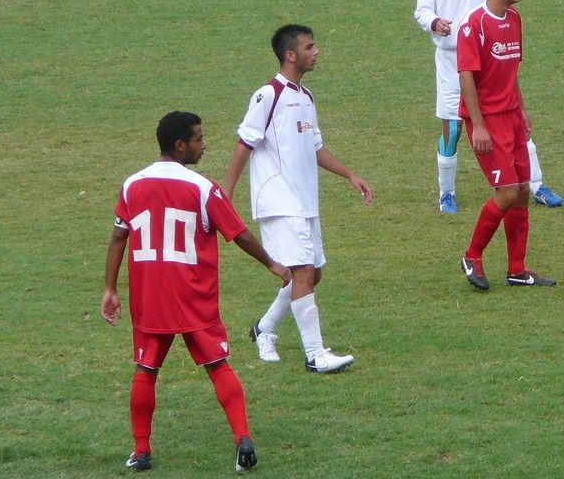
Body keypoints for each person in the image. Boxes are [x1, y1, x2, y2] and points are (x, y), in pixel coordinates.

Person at [101, 110, 292, 472]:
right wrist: (272, 264)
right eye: (199, 139)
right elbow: (239, 234)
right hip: (193, 297)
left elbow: (117, 235)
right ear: (180, 145)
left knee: (145, 370)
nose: (204, 145)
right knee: (218, 366)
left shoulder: (132, 185)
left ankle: (141, 451)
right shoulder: (203, 188)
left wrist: (110, 289)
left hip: (150, 299)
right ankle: (242, 438)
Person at [224, 24, 373, 374]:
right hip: (278, 201)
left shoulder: (306, 98)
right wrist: (225, 193)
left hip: (305, 202)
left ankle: (263, 329)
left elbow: (315, 147)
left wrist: (350, 174)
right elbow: (244, 144)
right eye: (310, 46)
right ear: (291, 55)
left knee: (311, 274)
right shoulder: (267, 96)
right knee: (303, 271)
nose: (317, 51)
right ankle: (315, 354)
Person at [414, 0, 563, 213]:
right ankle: (446, 194)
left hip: (490, 58)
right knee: (453, 129)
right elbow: (422, 9)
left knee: (514, 118)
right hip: (452, 60)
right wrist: (434, 22)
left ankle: (536, 184)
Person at [457, 0, 556, 291]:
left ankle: (517, 269)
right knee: (507, 192)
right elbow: (467, 78)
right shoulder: (473, 26)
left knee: (523, 192)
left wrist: (523, 109)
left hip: (512, 116)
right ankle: (472, 255)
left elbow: (510, 71)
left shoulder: (514, 18)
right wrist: (480, 126)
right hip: (488, 121)